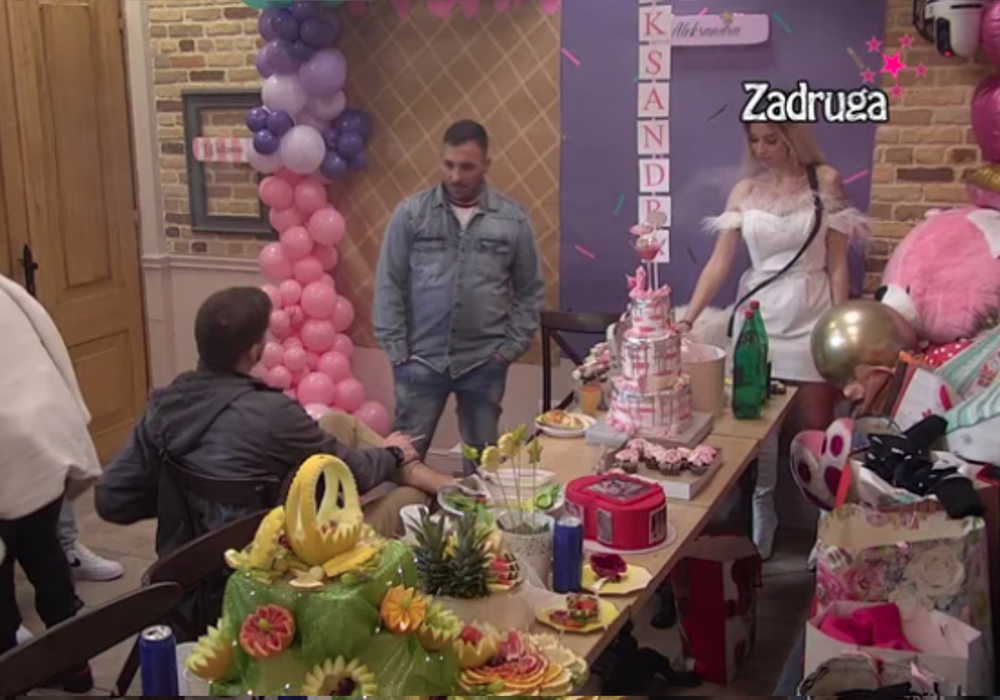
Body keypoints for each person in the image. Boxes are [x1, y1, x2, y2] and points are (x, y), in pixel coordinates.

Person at [96, 287, 454, 558]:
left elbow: (112, 499)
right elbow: (354, 473)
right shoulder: (272, 414)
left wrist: (182, 498)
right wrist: (393, 454)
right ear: (254, 350)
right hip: (274, 565)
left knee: (335, 422)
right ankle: (440, 485)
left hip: (189, 568)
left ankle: (433, 477)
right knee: (413, 496)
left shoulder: (165, 405)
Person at [680, 121, 870, 560]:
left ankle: (827, 532)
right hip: (758, 319)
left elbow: (838, 265)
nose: (761, 148)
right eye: (754, 139)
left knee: (816, 430)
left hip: (811, 314)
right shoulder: (745, 191)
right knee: (757, 434)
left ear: (792, 137)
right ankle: (761, 522)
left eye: (772, 139)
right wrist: (688, 319)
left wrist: (840, 332)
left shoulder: (825, 181)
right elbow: (719, 263)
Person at [374, 120, 545, 472]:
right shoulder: (411, 214)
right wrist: (397, 352)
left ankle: (476, 511)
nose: (455, 176)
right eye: (448, 164)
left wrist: (508, 351)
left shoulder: (512, 220)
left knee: (483, 465)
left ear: (486, 165)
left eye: (466, 166)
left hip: (484, 362)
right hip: (419, 360)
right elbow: (389, 283)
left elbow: (530, 291)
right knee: (403, 461)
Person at [0, 273, 98, 690]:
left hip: (7, 444)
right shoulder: (5, 289)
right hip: (45, 430)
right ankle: (74, 667)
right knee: (44, 550)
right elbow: (51, 343)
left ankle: (9, 673)